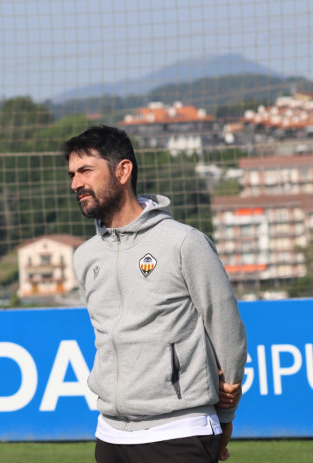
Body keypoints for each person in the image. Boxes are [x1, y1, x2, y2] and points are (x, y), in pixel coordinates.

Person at [62, 126, 247, 462]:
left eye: (86, 171)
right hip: (110, 435)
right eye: (72, 174)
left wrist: (226, 417)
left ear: (123, 171)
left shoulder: (184, 242)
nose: (76, 183)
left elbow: (226, 327)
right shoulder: (85, 257)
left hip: (180, 432)